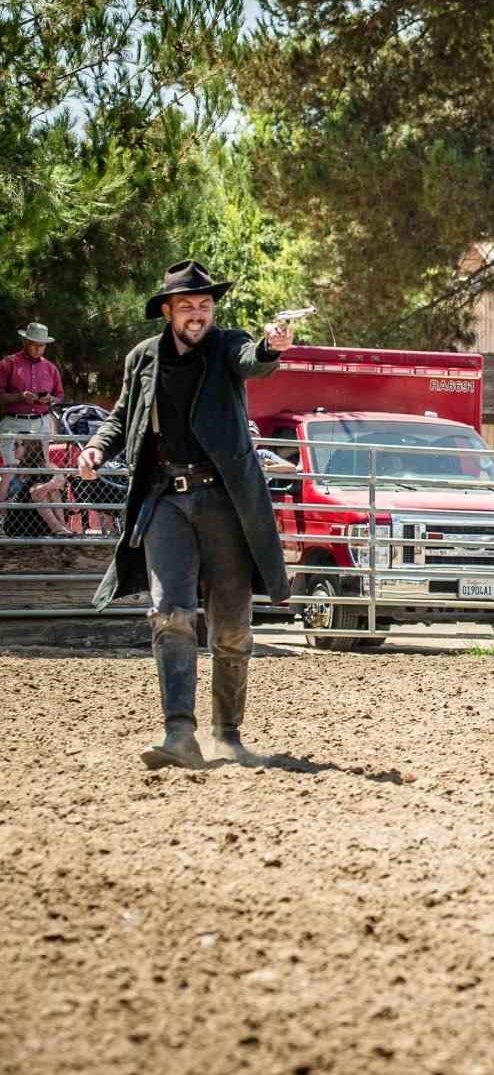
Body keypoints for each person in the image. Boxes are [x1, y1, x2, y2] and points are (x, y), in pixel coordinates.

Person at [77, 260, 295, 769]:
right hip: (165, 499)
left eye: (205, 305)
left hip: (225, 500)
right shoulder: (143, 358)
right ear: (168, 311)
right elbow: (120, 417)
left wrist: (271, 346)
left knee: (232, 627)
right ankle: (179, 733)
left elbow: (253, 359)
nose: (198, 314)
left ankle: (229, 734)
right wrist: (95, 450)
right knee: (169, 612)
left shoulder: (227, 345)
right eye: (187, 307)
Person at [0, 322, 64, 468]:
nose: (37, 349)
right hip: (14, 423)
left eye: (41, 346)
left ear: (45, 346)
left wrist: (50, 399)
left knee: (41, 470)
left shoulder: (51, 368)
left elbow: (59, 397)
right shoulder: (8, 364)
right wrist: (20, 397)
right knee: (13, 472)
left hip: (42, 424)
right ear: (25, 342)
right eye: (34, 345)